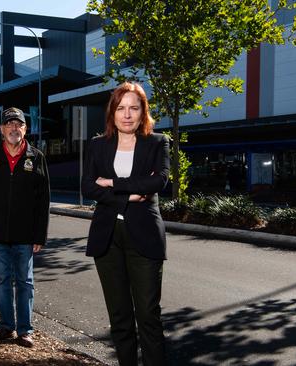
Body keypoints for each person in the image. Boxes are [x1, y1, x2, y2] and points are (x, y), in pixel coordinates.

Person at [82, 82, 169, 366]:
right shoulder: (97, 145)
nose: (127, 114)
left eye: (134, 107)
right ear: (112, 112)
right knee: (119, 318)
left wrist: (112, 184)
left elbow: (158, 181)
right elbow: (88, 187)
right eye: (121, 108)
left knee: (148, 316)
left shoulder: (157, 142)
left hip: (144, 236)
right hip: (107, 237)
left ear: (143, 111)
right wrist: (129, 194)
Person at [0, 107, 50, 348]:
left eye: (19, 124)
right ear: (2, 130)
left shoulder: (36, 157)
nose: (15, 128)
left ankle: (25, 330)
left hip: (25, 235)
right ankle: (6, 326)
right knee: (0, 280)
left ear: (26, 129)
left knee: (25, 282)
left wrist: (40, 235)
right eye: (9, 124)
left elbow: (43, 200)